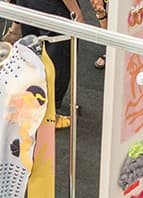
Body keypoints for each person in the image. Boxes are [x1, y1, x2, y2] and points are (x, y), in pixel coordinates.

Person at [16, 0, 85, 128]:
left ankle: (31, 104)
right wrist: (76, 11)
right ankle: (49, 113)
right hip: (53, 8)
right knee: (59, 58)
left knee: (31, 52)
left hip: (27, 5)